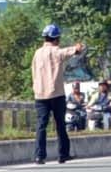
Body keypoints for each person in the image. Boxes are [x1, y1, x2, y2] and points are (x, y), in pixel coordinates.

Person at [31, 23, 85, 164]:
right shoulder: (56, 51)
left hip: (40, 94)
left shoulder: (37, 53)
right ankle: (63, 154)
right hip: (56, 93)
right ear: (56, 38)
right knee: (60, 124)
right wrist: (77, 48)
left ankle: (39, 156)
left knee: (41, 125)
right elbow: (69, 52)